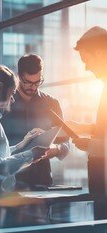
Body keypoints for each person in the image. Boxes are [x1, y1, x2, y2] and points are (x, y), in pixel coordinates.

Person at [0, 63, 49, 198]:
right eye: (12, 93)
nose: (12, 99)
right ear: (0, 87)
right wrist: (30, 155)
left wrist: (21, 145)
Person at [1, 54, 70, 188]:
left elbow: (66, 143)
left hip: (42, 183)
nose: (33, 87)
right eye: (28, 82)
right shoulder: (4, 103)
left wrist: (56, 149)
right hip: (10, 185)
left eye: (37, 82)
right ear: (19, 76)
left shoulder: (52, 103)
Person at [66, 26, 107, 196]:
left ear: (98, 53)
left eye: (85, 60)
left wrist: (90, 144)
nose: (86, 68)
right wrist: (85, 128)